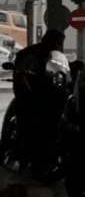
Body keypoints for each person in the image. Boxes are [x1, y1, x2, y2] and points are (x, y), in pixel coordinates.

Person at [11, 29, 68, 169]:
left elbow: (62, 72)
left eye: (59, 43)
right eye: (53, 41)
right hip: (31, 96)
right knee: (32, 122)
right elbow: (22, 77)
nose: (56, 45)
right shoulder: (31, 54)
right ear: (44, 39)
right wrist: (29, 95)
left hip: (49, 95)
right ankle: (23, 149)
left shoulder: (55, 56)